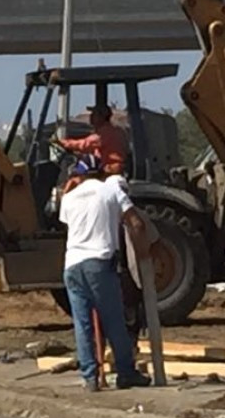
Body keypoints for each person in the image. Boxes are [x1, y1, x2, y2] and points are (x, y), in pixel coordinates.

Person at [58, 154, 153, 391]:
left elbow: (70, 226)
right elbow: (136, 223)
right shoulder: (111, 191)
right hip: (99, 263)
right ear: (102, 172)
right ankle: (126, 373)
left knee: (82, 324)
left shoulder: (68, 199)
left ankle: (90, 377)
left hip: (72, 266)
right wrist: (143, 254)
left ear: (79, 175)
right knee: (114, 321)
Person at [52, 104, 128, 175]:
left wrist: (62, 142)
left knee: (75, 178)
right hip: (118, 169)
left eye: (94, 114)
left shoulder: (104, 133)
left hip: (108, 170)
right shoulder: (118, 131)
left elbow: (84, 144)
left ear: (102, 117)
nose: (91, 116)